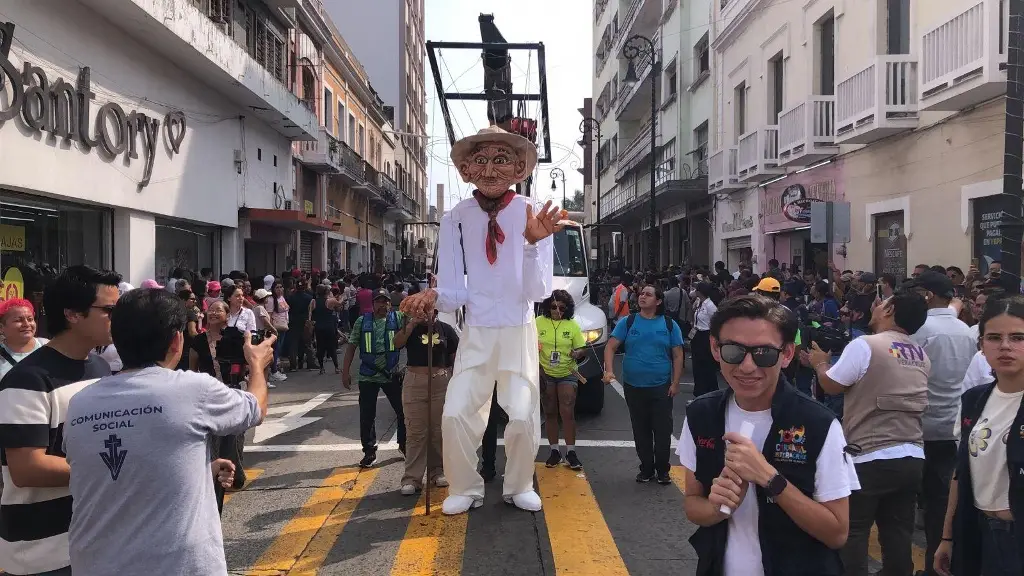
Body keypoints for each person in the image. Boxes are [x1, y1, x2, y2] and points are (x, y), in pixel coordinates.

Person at [401, 125, 559, 515]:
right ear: (466, 169)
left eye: (501, 160)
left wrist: (530, 244)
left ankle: (519, 484)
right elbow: (456, 288)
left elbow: (538, 292)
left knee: (522, 415)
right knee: (454, 412)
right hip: (475, 333)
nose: (490, 170)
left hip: (517, 331)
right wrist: (433, 296)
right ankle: (465, 486)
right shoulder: (456, 217)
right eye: (481, 161)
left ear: (519, 168)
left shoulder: (532, 213)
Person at [62, 288, 275, 575]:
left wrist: (199, 468)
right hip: (176, 565)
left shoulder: (80, 403)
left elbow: (118, 467)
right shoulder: (192, 389)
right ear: (177, 340)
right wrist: (257, 366)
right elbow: (255, 409)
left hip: (94, 564)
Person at [679, 294, 860, 576]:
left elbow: (837, 532)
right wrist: (716, 507)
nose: (747, 366)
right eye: (733, 351)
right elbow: (693, 503)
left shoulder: (818, 424)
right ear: (715, 348)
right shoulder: (702, 416)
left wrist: (770, 479)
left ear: (787, 354)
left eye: (764, 353)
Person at [0, 265, 120, 576]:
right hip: (42, 552)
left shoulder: (99, 368)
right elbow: (27, 468)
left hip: (96, 541)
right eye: (108, 309)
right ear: (73, 314)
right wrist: (116, 466)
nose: (116, 317)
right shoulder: (27, 380)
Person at [810, 291, 931, 576]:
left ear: (890, 311)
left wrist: (819, 363)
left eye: (882, 303)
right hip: (912, 455)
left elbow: (832, 385)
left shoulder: (866, 345)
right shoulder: (920, 354)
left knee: (853, 532)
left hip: (869, 455)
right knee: (898, 533)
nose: (875, 307)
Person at [934, 294, 1024, 576]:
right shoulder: (974, 400)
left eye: (1018, 337)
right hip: (977, 531)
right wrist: (947, 537)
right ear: (981, 346)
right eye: (994, 337)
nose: (1006, 346)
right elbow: (961, 473)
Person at [910, 270, 978, 575]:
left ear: (928, 295)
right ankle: (937, 564)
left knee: (906, 502)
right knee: (940, 504)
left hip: (919, 425)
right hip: (951, 426)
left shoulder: (920, 329)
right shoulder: (966, 331)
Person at [603, 284, 684, 483]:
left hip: (661, 386)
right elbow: (610, 347)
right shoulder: (628, 322)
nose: (642, 297)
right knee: (641, 429)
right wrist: (610, 370)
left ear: (658, 301)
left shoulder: (669, 324)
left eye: (648, 294)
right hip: (633, 385)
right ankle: (646, 469)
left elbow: (678, 355)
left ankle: (663, 470)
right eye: (641, 294)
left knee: (662, 429)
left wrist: (675, 382)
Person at [394, 310, 459, 495]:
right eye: (422, 310)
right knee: (415, 431)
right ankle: (412, 478)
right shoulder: (410, 328)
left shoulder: (446, 329)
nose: (425, 313)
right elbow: (397, 343)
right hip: (415, 382)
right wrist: (412, 323)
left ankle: (437, 471)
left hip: (441, 382)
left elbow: (456, 357)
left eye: (429, 309)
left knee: (438, 430)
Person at [343, 289, 407, 468]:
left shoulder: (399, 319)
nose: (383, 305)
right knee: (367, 415)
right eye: (379, 302)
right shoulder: (362, 322)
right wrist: (345, 372)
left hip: (391, 374)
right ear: (372, 304)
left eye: (386, 301)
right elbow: (351, 347)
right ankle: (369, 452)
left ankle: (404, 444)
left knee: (403, 411)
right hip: (368, 376)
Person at [537, 289, 587, 470]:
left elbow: (582, 348)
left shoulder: (572, 325)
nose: (557, 311)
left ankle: (571, 452)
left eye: (562, 308)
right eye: (553, 307)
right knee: (550, 412)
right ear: (547, 307)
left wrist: (577, 352)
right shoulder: (537, 323)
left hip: (567, 373)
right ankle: (554, 451)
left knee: (567, 412)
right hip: (546, 373)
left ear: (567, 310)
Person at [0, 298, 48, 381]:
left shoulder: (49, 347)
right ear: (1, 327)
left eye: (30, 319)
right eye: (18, 320)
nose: (26, 324)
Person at [690, 282, 720, 397]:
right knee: (697, 365)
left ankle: (709, 390)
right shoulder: (699, 302)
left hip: (706, 335)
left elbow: (716, 321)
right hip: (697, 334)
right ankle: (699, 391)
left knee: (706, 365)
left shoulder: (710, 305)